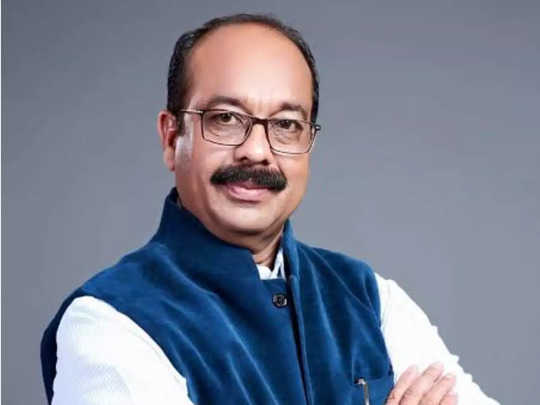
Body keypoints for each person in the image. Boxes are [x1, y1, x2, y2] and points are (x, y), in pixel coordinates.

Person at [40, 13, 500, 405]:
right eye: (225, 118)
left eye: (286, 124)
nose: (257, 152)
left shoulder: (370, 297)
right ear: (171, 137)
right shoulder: (110, 320)